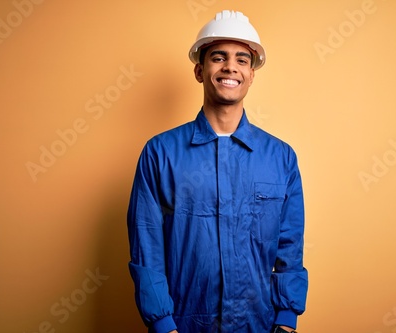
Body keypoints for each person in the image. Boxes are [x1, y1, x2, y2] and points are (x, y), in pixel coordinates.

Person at [127, 10, 308, 333]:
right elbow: (147, 245)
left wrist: (286, 320)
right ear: (199, 70)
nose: (230, 67)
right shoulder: (160, 153)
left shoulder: (280, 158)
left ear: (251, 74)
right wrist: (163, 324)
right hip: (183, 324)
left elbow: (289, 246)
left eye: (242, 59)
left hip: (260, 324)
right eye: (218, 57)